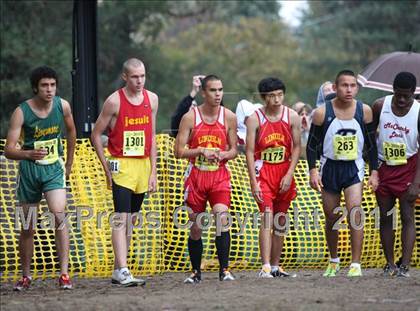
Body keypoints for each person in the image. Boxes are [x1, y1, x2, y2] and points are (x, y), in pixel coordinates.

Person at [5, 66, 76, 290]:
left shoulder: (62, 105)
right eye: (44, 85)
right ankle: (26, 276)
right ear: (36, 88)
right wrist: (27, 154)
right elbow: (8, 150)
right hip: (29, 170)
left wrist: (69, 164)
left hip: (54, 168)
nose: (49, 90)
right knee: (27, 225)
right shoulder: (21, 112)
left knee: (59, 214)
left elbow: (72, 132)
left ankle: (64, 274)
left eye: (53, 85)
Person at [91, 58, 158, 286]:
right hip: (121, 163)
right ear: (125, 77)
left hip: (142, 165)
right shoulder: (114, 101)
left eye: (142, 76)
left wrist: (153, 172)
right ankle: (122, 268)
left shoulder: (152, 99)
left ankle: (120, 268)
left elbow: (151, 137)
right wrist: (105, 167)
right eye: (135, 77)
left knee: (130, 220)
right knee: (121, 218)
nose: (139, 81)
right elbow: (95, 135)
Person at [306, 70, 379, 277]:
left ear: (357, 88)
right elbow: (311, 146)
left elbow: (372, 145)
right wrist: (313, 170)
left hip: (353, 167)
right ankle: (334, 260)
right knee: (332, 216)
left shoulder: (364, 111)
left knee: (355, 211)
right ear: (336, 88)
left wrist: (374, 172)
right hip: (330, 167)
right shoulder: (322, 112)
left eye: (352, 85)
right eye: (344, 85)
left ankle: (356, 264)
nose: (349, 89)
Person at [174, 75, 238, 283]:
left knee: (222, 218)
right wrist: (201, 150)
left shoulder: (228, 116)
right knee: (196, 226)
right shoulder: (190, 118)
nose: (218, 94)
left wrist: (223, 154)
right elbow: (178, 151)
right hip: (196, 177)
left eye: (220, 90)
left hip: (218, 176)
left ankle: (224, 270)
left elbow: (234, 150)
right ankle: (195, 272)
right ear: (203, 92)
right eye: (213, 90)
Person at [245, 77, 301, 278]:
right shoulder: (254, 119)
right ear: (263, 97)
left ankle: (276, 266)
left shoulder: (292, 116)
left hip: (284, 171)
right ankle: (266, 266)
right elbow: (250, 151)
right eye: (271, 96)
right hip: (264, 172)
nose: (277, 99)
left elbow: (297, 147)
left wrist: (290, 173)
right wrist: (253, 182)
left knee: (281, 221)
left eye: (280, 95)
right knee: (267, 218)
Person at [372, 72, 420, 277]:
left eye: (406, 96)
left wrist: (417, 183)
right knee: (385, 217)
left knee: (407, 215)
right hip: (384, 166)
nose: (401, 100)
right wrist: (373, 169)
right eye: (398, 94)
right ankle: (390, 263)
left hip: (408, 166)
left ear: (413, 93)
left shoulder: (418, 110)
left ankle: (405, 266)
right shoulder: (379, 106)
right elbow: (368, 140)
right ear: (392, 89)